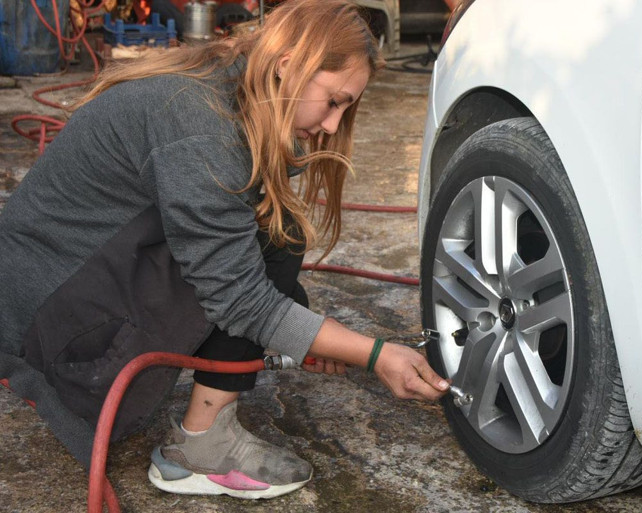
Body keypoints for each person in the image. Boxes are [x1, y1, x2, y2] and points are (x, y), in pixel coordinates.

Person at [0, 0, 448, 501]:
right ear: (287, 67)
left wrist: (310, 334)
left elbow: (228, 251)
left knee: (272, 237)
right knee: (275, 239)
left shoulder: (222, 85)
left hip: (67, 283)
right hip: (47, 328)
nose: (331, 126)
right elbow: (240, 298)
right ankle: (201, 448)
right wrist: (373, 354)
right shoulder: (200, 126)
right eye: (334, 102)